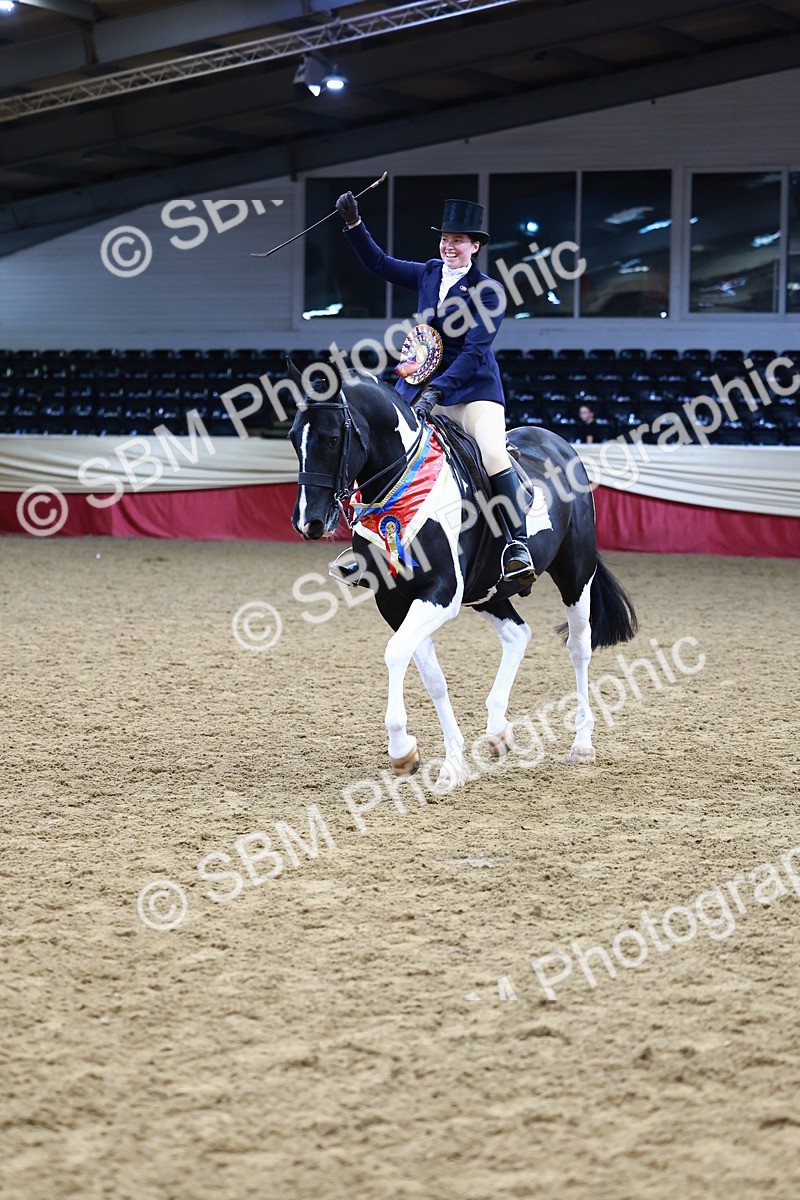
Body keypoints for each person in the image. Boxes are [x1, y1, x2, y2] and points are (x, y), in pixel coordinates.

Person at [334, 191, 535, 583]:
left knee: (493, 453)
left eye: (459, 240)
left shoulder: (488, 290)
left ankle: (517, 544)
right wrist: (354, 225)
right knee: (386, 446)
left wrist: (438, 392)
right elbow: (378, 262)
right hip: (422, 387)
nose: (449, 246)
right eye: (445, 239)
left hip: (472, 391)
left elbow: (475, 352)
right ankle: (369, 543)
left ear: (475, 246)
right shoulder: (428, 273)